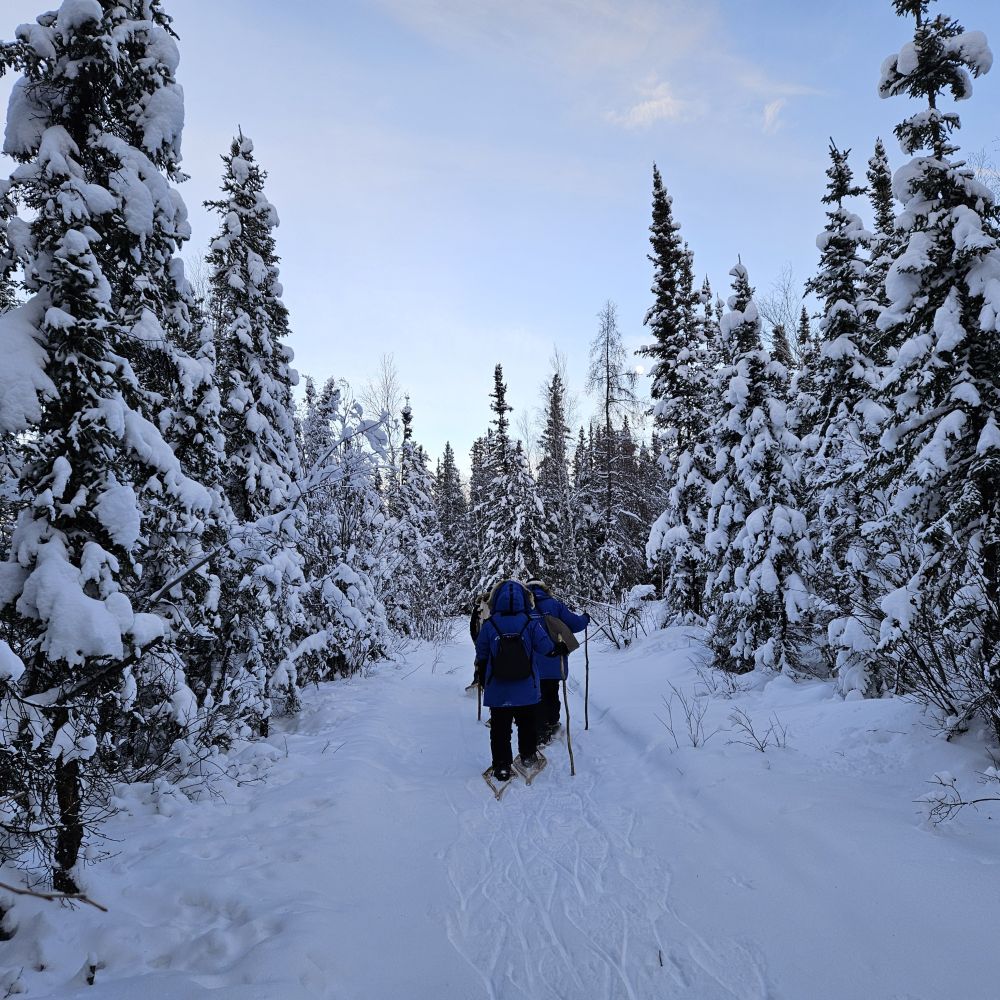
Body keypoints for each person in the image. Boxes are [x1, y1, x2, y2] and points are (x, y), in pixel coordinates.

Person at [474, 579, 558, 782]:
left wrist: (483, 678)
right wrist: (560, 646)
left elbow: (481, 653)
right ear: (524, 599)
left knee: (500, 728)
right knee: (527, 723)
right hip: (526, 686)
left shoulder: (490, 624)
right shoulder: (530, 623)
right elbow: (546, 648)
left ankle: (502, 766)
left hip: (498, 688)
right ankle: (528, 756)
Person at [525, 577, 590, 746]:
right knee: (552, 691)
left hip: (531, 661)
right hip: (555, 659)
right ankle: (553, 723)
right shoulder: (554, 604)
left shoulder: (524, 606)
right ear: (544, 588)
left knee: (537, 695)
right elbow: (575, 624)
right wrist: (585, 618)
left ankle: (540, 731)